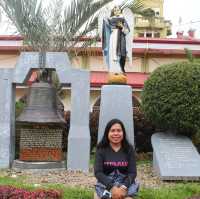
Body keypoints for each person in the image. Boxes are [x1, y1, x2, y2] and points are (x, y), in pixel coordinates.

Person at [94, 119, 139, 199]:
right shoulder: (101, 149)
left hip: (125, 185)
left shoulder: (129, 149)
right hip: (105, 184)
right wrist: (112, 187)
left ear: (123, 133)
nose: (116, 133)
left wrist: (123, 187)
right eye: (112, 131)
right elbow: (98, 172)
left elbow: (132, 172)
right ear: (107, 133)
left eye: (119, 130)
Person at [102, 6, 130, 74]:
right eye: (115, 10)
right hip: (113, 36)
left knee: (121, 53)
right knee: (112, 52)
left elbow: (127, 31)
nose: (117, 11)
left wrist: (122, 26)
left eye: (118, 10)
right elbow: (106, 24)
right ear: (113, 12)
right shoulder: (111, 19)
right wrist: (105, 17)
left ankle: (120, 69)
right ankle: (113, 69)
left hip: (121, 37)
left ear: (120, 11)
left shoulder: (123, 19)